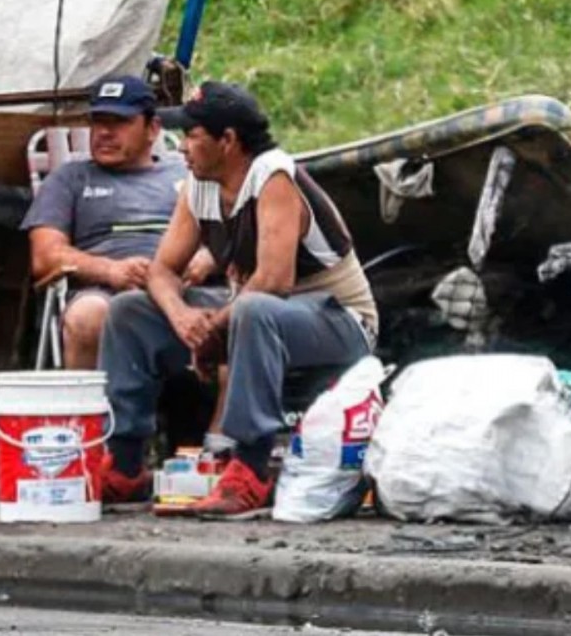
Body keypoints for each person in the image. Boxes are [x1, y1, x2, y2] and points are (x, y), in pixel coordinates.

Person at [97, 81, 379, 517]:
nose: (183, 147)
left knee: (253, 307)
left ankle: (251, 467)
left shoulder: (274, 177)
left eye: (193, 136)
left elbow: (273, 281)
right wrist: (182, 318)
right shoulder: (199, 184)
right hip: (257, 318)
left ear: (227, 141)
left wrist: (212, 326)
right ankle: (126, 461)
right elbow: (162, 270)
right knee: (129, 311)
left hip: (340, 322)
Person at [20, 75, 190, 370]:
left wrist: (202, 260)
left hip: (184, 285)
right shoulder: (69, 179)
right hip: (103, 292)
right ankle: (92, 415)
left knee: (239, 312)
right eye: (98, 122)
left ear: (152, 129)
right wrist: (111, 270)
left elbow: (227, 234)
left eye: (120, 122)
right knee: (87, 317)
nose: (104, 133)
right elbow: (45, 256)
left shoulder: (185, 175)